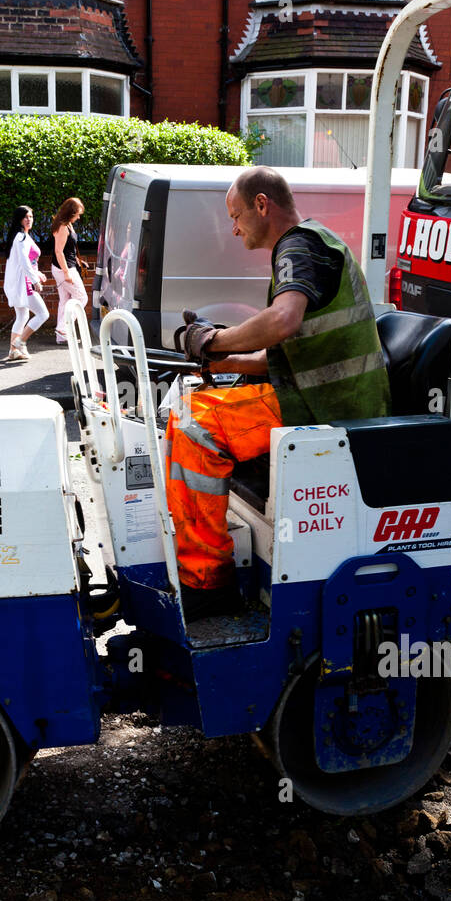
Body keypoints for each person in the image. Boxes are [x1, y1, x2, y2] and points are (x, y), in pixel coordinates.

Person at [165, 165, 391, 622]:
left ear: (262, 205)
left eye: (236, 216)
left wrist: (212, 340)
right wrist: (224, 360)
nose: (233, 228)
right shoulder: (317, 243)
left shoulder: (299, 245)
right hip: (328, 399)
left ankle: (208, 584)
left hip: (327, 411)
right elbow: (291, 354)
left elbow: (283, 321)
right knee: (194, 406)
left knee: (194, 425)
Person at [2, 205, 48, 361]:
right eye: (26, 217)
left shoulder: (21, 236)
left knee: (22, 316)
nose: (29, 220)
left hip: (21, 282)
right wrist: (35, 280)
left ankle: (12, 351)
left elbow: (27, 262)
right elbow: (24, 262)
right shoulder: (21, 237)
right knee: (43, 314)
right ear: (19, 219)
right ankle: (20, 341)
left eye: (31, 217)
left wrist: (37, 273)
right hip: (24, 284)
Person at [50, 196, 88, 343]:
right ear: (70, 212)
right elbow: (58, 251)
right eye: (77, 214)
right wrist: (66, 273)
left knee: (65, 300)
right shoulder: (62, 227)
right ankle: (63, 329)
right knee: (81, 297)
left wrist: (79, 261)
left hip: (66, 266)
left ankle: (61, 337)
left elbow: (67, 250)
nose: (78, 217)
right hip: (64, 269)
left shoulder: (67, 225)